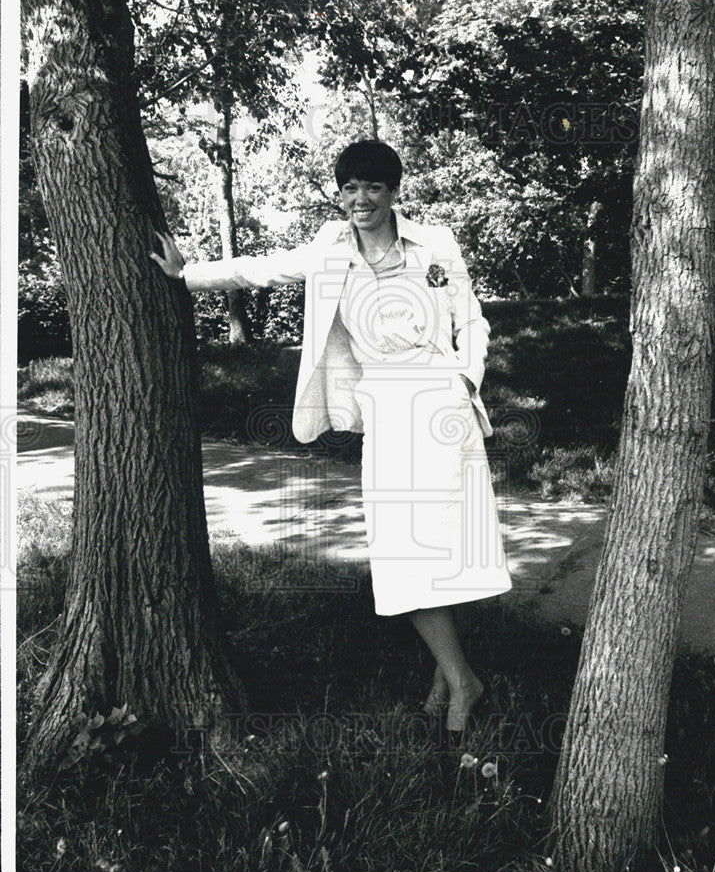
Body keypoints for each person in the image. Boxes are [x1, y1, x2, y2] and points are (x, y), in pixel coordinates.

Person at [150, 139, 512, 732]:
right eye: (349, 188)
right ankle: (462, 676)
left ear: (394, 192)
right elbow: (262, 268)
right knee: (400, 551)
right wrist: (187, 274)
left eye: (372, 187)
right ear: (339, 193)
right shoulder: (329, 247)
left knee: (448, 547)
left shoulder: (435, 243)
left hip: (443, 403)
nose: (360, 199)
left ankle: (450, 677)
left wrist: (465, 381)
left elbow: (470, 318)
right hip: (388, 408)